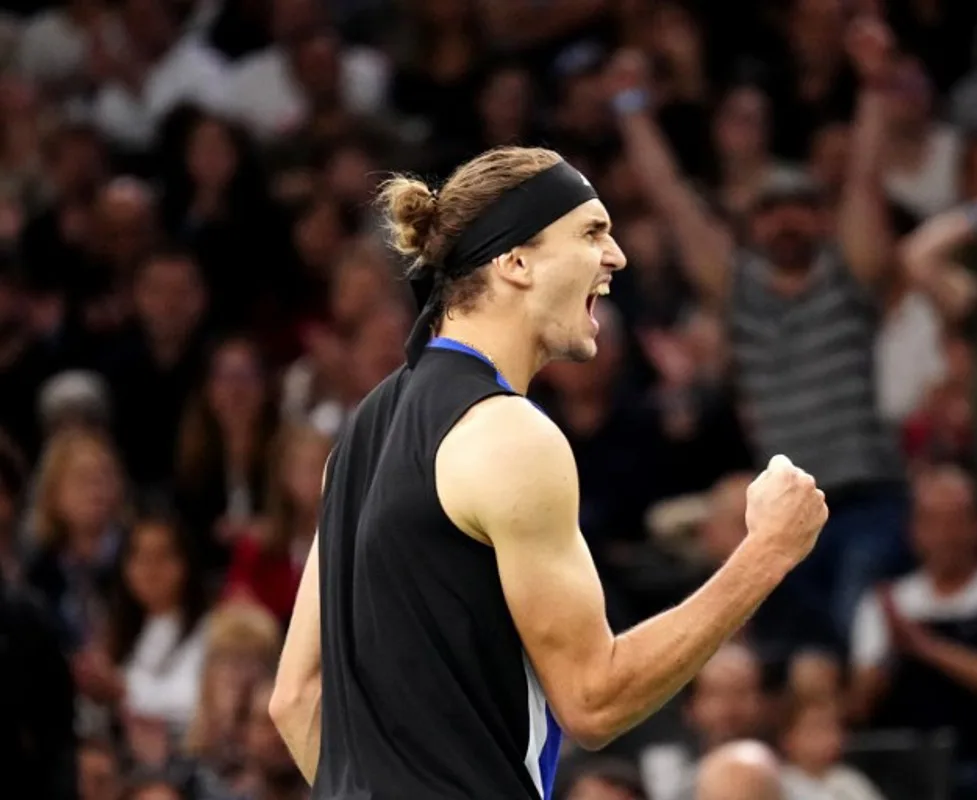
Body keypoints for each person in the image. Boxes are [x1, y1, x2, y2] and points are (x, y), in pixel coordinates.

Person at [268, 145, 830, 799]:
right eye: (592, 232)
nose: (616, 256)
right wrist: (766, 551)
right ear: (515, 262)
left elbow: (295, 699)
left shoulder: (359, 434)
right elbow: (594, 701)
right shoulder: (509, 435)